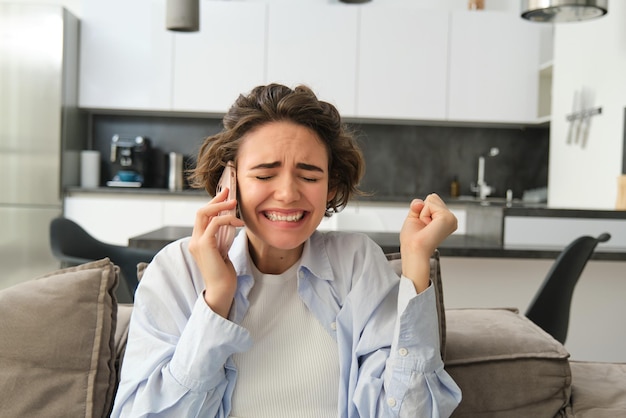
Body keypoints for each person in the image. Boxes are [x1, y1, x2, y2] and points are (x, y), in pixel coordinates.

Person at [111, 84, 462, 417]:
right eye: (265, 175)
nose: (288, 194)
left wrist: (416, 263)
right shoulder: (176, 271)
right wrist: (216, 300)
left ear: (330, 187)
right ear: (228, 182)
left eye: (309, 177)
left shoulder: (357, 263)